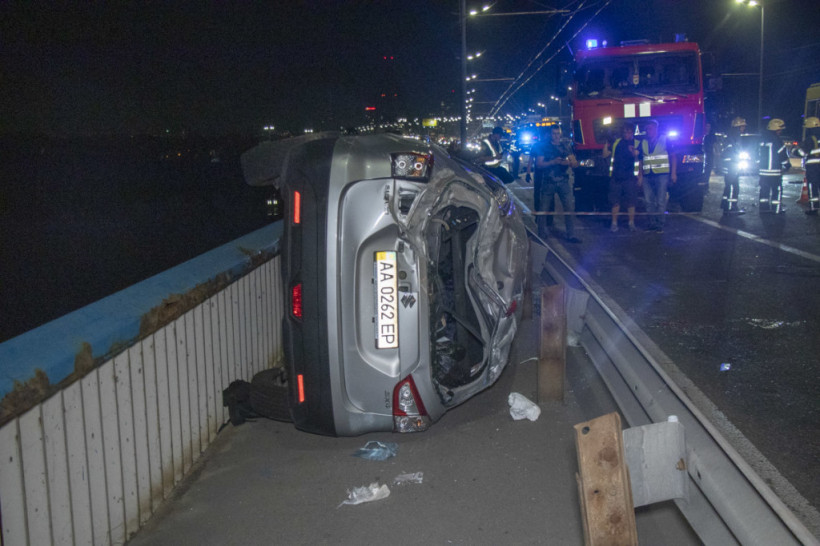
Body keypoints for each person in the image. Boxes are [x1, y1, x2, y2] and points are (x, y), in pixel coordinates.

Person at [532, 125, 581, 243]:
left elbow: (574, 163)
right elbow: (539, 164)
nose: (556, 136)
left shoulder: (565, 146)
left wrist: (568, 162)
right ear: (550, 134)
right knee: (543, 209)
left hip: (563, 181)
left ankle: (571, 234)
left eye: (558, 133)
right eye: (554, 134)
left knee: (568, 207)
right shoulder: (544, 146)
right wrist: (553, 162)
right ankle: (541, 234)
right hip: (548, 181)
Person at [640, 120, 676, 231]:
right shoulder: (644, 142)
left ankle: (660, 224)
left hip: (662, 174)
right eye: (646, 129)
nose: (647, 131)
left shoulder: (665, 140)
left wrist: (673, 173)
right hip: (647, 175)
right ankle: (652, 223)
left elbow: (673, 156)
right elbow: (641, 159)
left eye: (650, 128)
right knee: (648, 201)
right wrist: (640, 175)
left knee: (660, 200)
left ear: (656, 129)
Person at [605, 122, 642, 232]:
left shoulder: (636, 143)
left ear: (632, 132)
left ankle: (631, 223)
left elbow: (639, 159)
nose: (626, 134)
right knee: (615, 201)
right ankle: (614, 223)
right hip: (616, 177)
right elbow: (605, 154)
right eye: (625, 132)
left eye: (629, 132)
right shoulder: (617, 143)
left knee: (631, 201)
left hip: (630, 177)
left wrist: (640, 176)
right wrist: (606, 142)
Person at [758, 118, 790, 213]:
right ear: (776, 129)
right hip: (775, 171)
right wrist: (787, 165)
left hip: (763, 172)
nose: (780, 131)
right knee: (777, 190)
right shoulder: (777, 141)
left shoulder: (762, 140)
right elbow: (782, 156)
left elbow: (756, 154)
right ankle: (776, 208)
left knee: (764, 190)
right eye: (780, 129)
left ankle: (764, 208)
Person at [720, 116, 748, 214]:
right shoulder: (735, 137)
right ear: (738, 127)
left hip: (729, 165)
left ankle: (725, 204)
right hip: (732, 165)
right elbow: (733, 152)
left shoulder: (730, 136)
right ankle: (731, 208)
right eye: (742, 127)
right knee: (733, 186)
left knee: (729, 185)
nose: (743, 129)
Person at [799, 116, 820, 215]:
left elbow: (802, 153)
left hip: (813, 167)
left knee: (813, 186)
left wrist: (795, 151)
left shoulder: (810, 139)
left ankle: (814, 208)